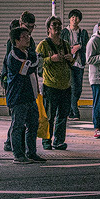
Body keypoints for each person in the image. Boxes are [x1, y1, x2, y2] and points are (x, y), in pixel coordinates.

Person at [4, 26, 44, 163]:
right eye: (24, 37)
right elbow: (27, 69)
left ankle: (31, 153)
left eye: (29, 36)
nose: (28, 39)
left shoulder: (28, 53)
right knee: (18, 126)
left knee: (33, 125)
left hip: (31, 96)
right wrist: (37, 61)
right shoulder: (14, 55)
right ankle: (18, 155)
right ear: (16, 40)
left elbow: (34, 65)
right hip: (18, 97)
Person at [37, 16, 73, 151]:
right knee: (49, 116)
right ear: (48, 29)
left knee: (63, 116)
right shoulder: (43, 45)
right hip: (50, 86)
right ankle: (47, 140)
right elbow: (38, 63)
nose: (57, 27)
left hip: (66, 86)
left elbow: (71, 62)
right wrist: (50, 59)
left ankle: (58, 141)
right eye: (54, 25)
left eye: (59, 25)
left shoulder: (65, 44)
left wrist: (71, 59)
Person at [60, 9, 88, 120]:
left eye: (76, 17)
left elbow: (86, 45)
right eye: (72, 17)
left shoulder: (83, 32)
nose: (74, 19)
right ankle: (75, 112)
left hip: (79, 62)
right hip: (68, 63)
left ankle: (70, 112)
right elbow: (61, 44)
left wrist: (79, 46)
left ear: (79, 20)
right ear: (69, 18)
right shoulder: (64, 31)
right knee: (72, 87)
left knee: (78, 89)